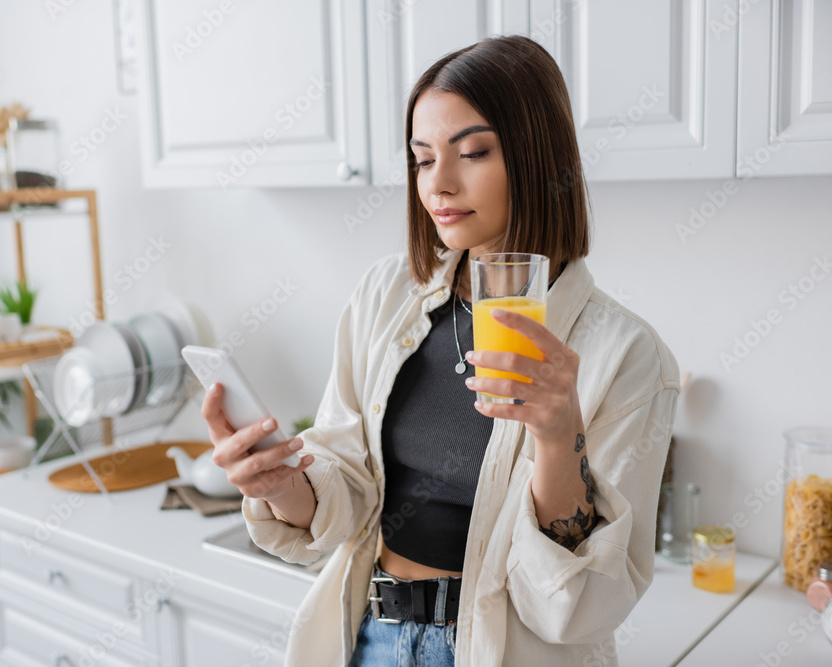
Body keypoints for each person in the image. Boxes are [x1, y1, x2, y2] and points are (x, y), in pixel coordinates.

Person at [201, 35, 680, 666]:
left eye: (473, 152)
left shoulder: (626, 355)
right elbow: (344, 491)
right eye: (422, 160)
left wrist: (560, 440)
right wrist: (283, 483)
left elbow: (577, 608)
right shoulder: (384, 295)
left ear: (539, 159)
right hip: (372, 639)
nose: (440, 185)